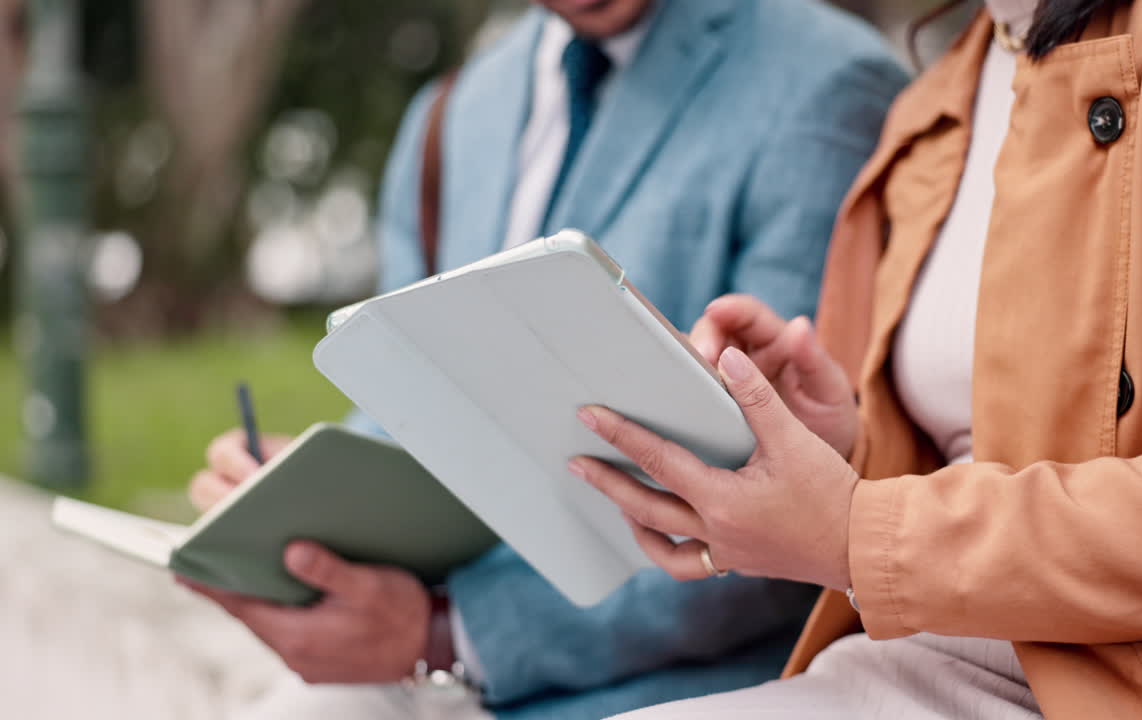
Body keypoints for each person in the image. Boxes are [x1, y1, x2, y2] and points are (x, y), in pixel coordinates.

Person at [185, 1, 907, 719]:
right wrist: (317, 497)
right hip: (417, 664)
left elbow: (803, 501)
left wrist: (445, 634)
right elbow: (414, 398)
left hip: (680, 687)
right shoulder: (453, 113)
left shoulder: (828, 84)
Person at [575, 0, 1142, 717]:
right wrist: (844, 445)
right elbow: (988, 458)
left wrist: (857, 532)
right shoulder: (934, 104)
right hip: (933, 653)